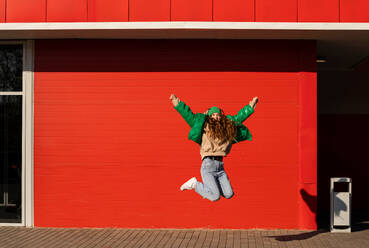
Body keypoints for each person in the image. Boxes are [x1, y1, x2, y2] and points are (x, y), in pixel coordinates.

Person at [169, 93, 258, 202]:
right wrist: (177, 103)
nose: (215, 116)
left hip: (220, 167)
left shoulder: (227, 128)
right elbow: (189, 116)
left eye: (218, 115)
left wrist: (250, 107)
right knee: (215, 197)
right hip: (208, 165)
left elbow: (239, 118)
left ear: (221, 116)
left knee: (229, 194)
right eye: (213, 115)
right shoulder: (204, 125)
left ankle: (208, 190)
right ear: (209, 116)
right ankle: (194, 184)